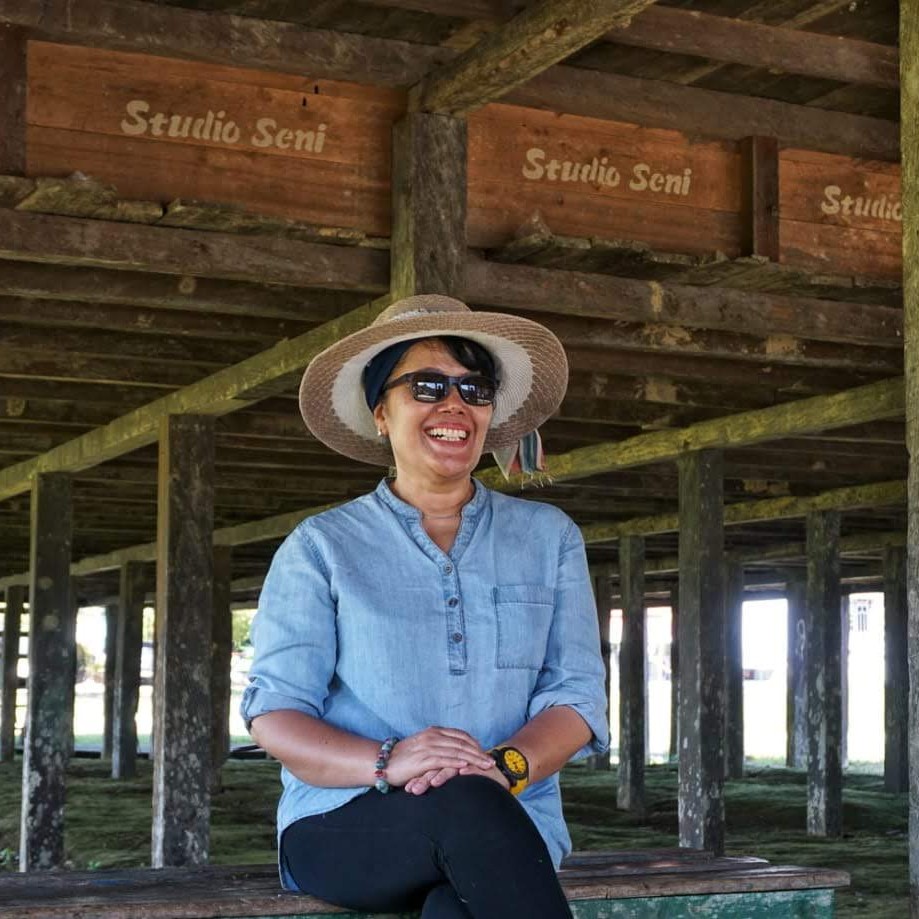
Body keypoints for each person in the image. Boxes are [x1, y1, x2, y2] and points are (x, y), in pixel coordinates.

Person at [241, 294, 610, 918]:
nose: (455, 404)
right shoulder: (321, 545)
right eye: (428, 386)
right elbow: (275, 714)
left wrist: (504, 768)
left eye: (475, 389)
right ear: (381, 413)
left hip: (512, 813)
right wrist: (389, 760)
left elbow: (575, 695)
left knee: (455, 904)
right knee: (465, 808)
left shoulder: (549, 537)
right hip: (348, 820)